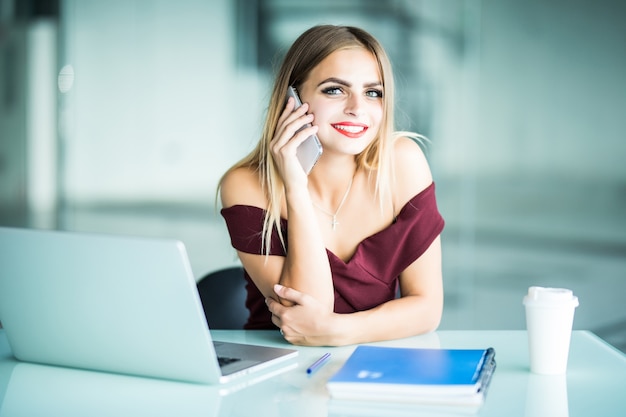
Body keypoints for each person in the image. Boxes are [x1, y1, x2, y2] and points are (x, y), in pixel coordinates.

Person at [219, 25, 444, 346]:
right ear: (291, 98)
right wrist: (295, 187)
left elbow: (427, 309)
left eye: (373, 92)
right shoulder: (246, 184)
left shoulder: (402, 162)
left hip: (375, 367)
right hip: (278, 370)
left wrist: (340, 331)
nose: (357, 107)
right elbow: (304, 317)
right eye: (335, 90)